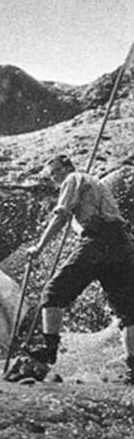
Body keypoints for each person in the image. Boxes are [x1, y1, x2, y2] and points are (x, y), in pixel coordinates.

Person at [25, 154, 134, 383]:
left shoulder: (73, 178)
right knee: (126, 310)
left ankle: (49, 350)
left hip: (98, 241)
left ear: (67, 167)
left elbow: (61, 215)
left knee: (53, 293)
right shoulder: (96, 183)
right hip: (122, 245)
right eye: (51, 175)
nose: (55, 178)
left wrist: (39, 247)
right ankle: (132, 365)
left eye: (56, 172)